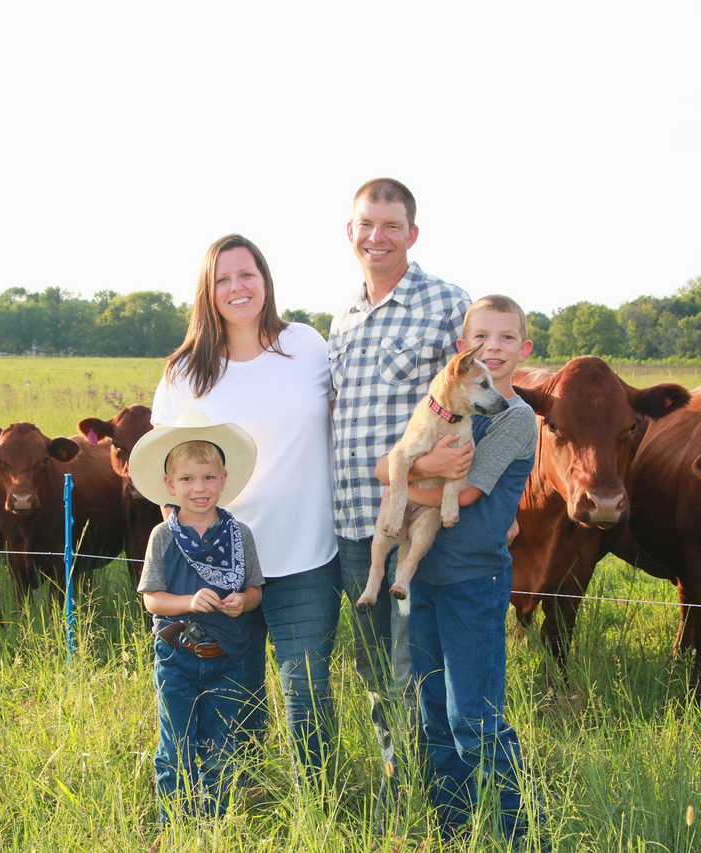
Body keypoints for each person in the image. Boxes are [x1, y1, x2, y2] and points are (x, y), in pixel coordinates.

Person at [151, 234, 341, 786]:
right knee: (233, 692)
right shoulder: (184, 372)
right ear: (207, 293)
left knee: (305, 689)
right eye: (223, 278)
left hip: (305, 553)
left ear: (266, 281)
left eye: (247, 274)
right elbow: (163, 468)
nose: (237, 287)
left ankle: (318, 806)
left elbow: (351, 417)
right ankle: (239, 804)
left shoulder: (305, 345)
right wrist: (180, 536)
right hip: (218, 563)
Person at [328, 177, 473, 821]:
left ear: (412, 234)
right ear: (350, 232)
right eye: (366, 225)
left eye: (391, 226)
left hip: (420, 517)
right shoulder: (343, 317)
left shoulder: (447, 304)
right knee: (374, 671)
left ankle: (437, 802)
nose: (377, 237)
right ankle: (399, 789)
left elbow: (484, 401)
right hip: (356, 523)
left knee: (419, 665)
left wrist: (458, 479)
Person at [377, 295, 538, 845]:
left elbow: (464, 491)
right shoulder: (450, 407)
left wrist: (404, 477)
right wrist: (412, 467)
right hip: (423, 577)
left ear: (524, 348)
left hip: (475, 580)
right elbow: (385, 461)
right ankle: (456, 828)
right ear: (462, 351)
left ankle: (519, 832)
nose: (493, 348)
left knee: (474, 716)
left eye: (506, 338)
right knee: (434, 714)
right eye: (481, 338)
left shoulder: (515, 419)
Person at [129, 414, 265, 825]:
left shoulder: (239, 534)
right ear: (170, 486)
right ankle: (174, 828)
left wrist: (243, 600)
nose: (199, 488)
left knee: (220, 746)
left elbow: (256, 589)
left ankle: (214, 827)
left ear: (223, 480)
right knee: (175, 744)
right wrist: (189, 601)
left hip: (227, 658)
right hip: (178, 657)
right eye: (187, 479)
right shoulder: (164, 536)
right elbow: (152, 600)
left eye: (207, 478)